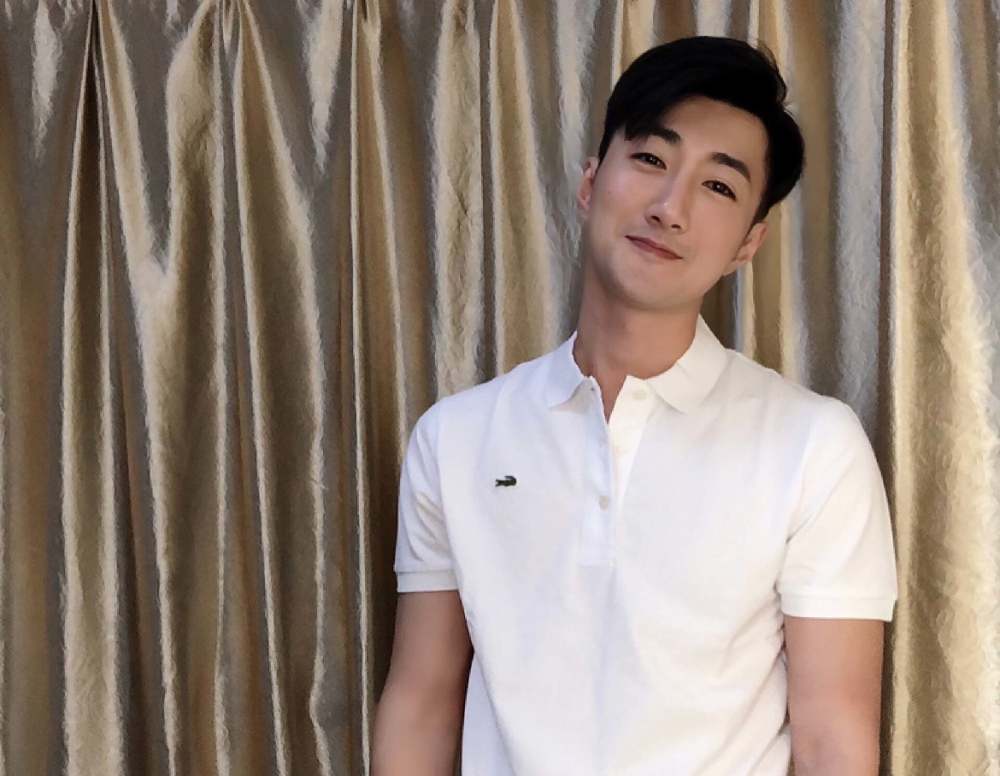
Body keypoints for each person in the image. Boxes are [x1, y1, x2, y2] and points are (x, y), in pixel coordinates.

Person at [373, 36, 897, 776]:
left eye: (718, 187)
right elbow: (421, 704)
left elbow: (833, 738)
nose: (669, 207)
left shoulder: (815, 444)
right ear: (591, 181)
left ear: (749, 242)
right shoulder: (455, 438)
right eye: (650, 158)